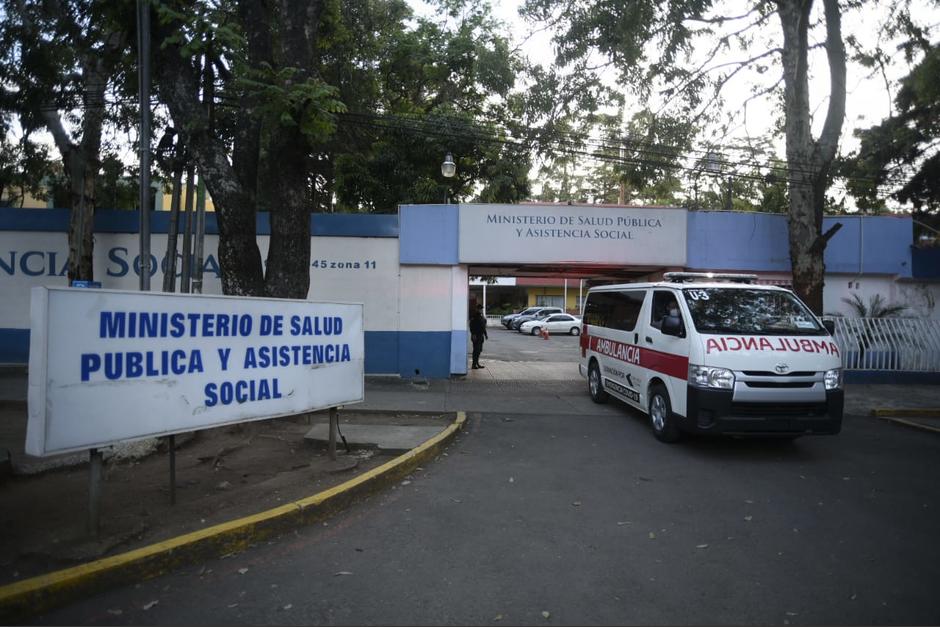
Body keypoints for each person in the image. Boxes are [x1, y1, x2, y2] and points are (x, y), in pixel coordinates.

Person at [469, 304, 488, 369]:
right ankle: (473, 364)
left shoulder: (481, 317)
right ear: (477, 309)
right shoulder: (474, 316)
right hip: (475, 336)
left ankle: (477, 363)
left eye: (481, 309)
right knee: (476, 350)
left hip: (480, 336)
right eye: (480, 309)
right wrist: (473, 334)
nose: (481, 310)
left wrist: (485, 334)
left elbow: (483, 327)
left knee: (479, 350)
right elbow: (471, 326)